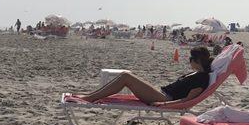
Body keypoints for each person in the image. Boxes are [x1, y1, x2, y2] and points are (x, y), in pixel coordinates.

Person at [76, 47, 213, 106]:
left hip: (164, 98)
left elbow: (186, 100)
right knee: (126, 76)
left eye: (190, 58)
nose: (189, 61)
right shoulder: (196, 74)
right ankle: (91, 95)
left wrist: (164, 104)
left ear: (197, 61)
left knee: (126, 76)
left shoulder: (202, 78)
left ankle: (89, 98)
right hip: (161, 93)